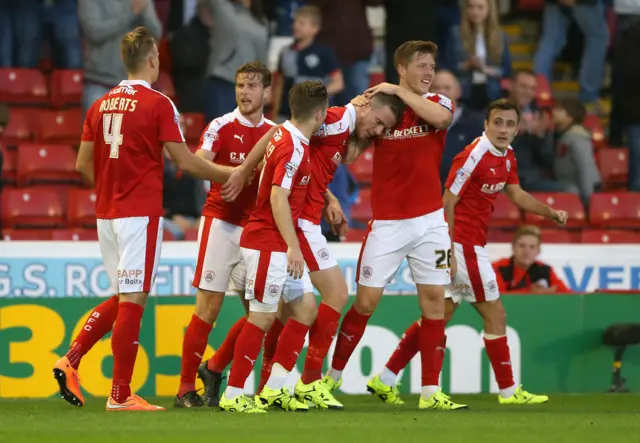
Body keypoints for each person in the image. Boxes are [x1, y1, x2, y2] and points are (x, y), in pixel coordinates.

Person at [52, 26, 233, 412]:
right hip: (139, 214)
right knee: (133, 300)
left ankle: (70, 359)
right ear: (153, 60)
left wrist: (110, 186)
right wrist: (232, 175)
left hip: (107, 214)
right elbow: (184, 162)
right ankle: (120, 395)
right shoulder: (159, 104)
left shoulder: (99, 104)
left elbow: (83, 164)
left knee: (123, 297)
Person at [202, 90, 406, 410]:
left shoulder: (338, 129)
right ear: (364, 105)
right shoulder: (333, 122)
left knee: (292, 311)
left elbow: (303, 148)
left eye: (385, 128)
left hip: (303, 220)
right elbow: (285, 132)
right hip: (296, 226)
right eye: (379, 122)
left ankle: (238, 375)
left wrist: (328, 198)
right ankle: (306, 382)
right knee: (324, 298)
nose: (378, 131)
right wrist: (243, 170)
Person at [368, 99, 568, 406]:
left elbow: (515, 192)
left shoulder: (507, 155)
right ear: (486, 125)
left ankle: (386, 378)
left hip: (467, 243)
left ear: (517, 128)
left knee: (439, 317)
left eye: (510, 124)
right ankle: (509, 391)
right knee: (495, 314)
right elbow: (447, 201)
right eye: (497, 122)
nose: (503, 129)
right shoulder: (474, 155)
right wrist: (448, 251)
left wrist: (549, 212)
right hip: (462, 244)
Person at [323, 40, 467, 410]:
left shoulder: (438, 104)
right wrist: (354, 116)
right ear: (402, 67)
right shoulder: (385, 110)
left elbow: (441, 122)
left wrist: (391, 89)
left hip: (430, 223)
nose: (429, 73)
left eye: (432, 66)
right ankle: (330, 380)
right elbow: (349, 155)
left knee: (435, 303)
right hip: (387, 225)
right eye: (421, 65)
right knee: (366, 303)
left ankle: (431, 393)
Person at [218, 81, 328, 413]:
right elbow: (278, 196)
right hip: (269, 242)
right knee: (262, 318)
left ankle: (274, 389)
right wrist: (294, 247)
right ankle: (234, 394)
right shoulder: (293, 146)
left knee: (307, 308)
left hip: (277, 242)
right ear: (320, 114)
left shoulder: (284, 134)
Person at [175, 61, 276, 408]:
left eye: (251, 86)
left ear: (267, 92)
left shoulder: (276, 134)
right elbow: (198, 162)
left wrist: (329, 199)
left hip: (256, 230)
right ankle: (186, 388)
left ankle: (215, 368)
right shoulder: (221, 125)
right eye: (239, 86)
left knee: (260, 314)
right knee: (208, 309)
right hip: (220, 222)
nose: (244, 92)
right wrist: (232, 173)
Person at [272, 5, 344, 121]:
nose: (296, 26)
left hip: (314, 116)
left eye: (302, 23)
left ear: (314, 28)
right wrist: (275, 112)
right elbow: (280, 84)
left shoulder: (324, 53)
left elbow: (338, 83)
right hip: (286, 115)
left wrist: (314, 95)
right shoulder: (285, 52)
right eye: (295, 22)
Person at [444, 0, 512, 110]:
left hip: (491, 92)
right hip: (464, 91)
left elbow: (507, 70)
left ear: (489, 10)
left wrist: (487, 70)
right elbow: (448, 67)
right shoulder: (455, 33)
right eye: (471, 7)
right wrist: (467, 65)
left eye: (480, 7)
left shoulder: (500, 36)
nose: (475, 12)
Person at [550, 98, 601, 206]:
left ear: (570, 117)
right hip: (571, 185)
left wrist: (588, 201)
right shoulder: (562, 135)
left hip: (581, 188)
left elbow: (585, 167)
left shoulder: (576, 137)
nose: (553, 111)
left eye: (559, 110)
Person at [493, 225, 571, 293]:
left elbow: (568, 296)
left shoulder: (545, 270)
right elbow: (498, 298)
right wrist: (532, 293)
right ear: (513, 247)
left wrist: (543, 292)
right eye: (521, 245)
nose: (526, 251)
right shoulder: (498, 268)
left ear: (538, 251)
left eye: (532, 247)